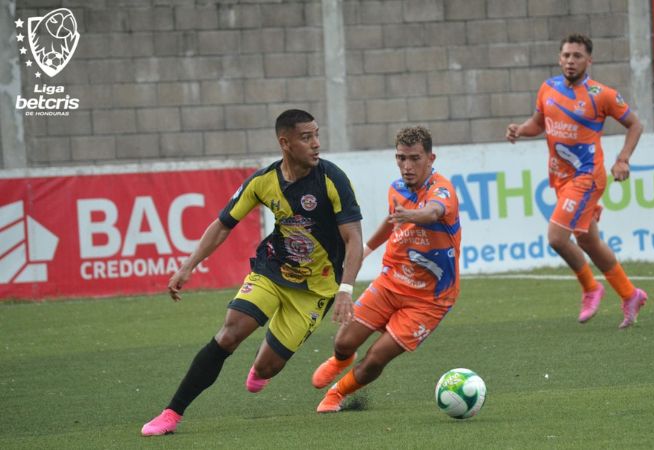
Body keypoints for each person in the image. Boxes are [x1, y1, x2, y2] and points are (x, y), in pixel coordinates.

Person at [141, 109, 363, 436]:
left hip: (317, 290)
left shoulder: (332, 179)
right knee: (229, 333)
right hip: (272, 271)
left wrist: (345, 289)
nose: (316, 144)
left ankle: (260, 368)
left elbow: (353, 238)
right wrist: (188, 266)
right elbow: (223, 225)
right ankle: (171, 413)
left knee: (267, 367)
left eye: (317, 135)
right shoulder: (263, 182)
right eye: (307, 137)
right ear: (285, 143)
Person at [311, 126, 461, 413]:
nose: (407, 166)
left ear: (431, 158)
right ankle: (342, 359)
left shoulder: (442, 190)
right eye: (401, 158)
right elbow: (391, 221)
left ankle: (337, 394)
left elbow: (433, 212)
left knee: (377, 357)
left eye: (415, 158)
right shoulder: (397, 188)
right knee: (343, 341)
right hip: (391, 282)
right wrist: (366, 250)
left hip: (430, 299)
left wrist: (411, 215)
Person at [505, 34, 647, 329]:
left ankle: (591, 287)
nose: (571, 61)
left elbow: (635, 124)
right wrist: (520, 129)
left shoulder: (601, 94)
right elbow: (538, 124)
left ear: (589, 61)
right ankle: (630, 294)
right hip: (560, 177)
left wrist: (622, 159)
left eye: (577, 56)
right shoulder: (548, 88)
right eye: (567, 55)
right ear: (560, 58)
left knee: (557, 238)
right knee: (588, 241)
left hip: (586, 177)